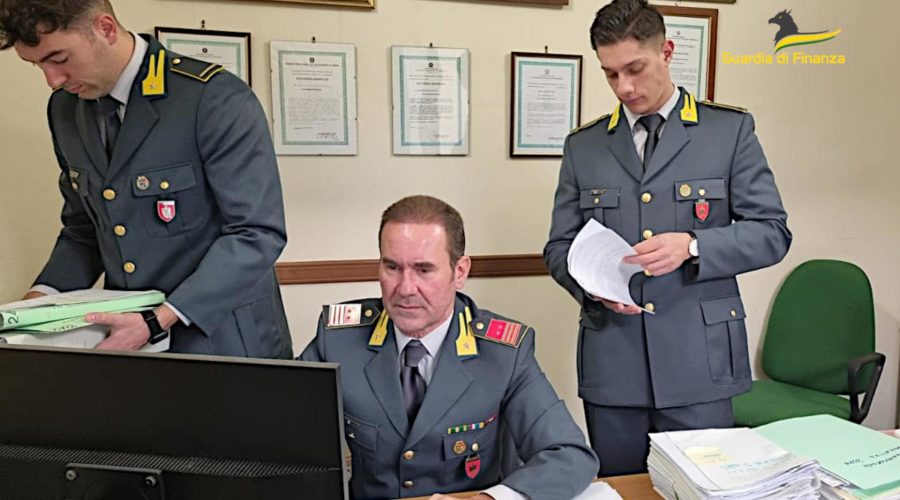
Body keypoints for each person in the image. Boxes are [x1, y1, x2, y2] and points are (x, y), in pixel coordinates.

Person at [543, 0, 791, 476]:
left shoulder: (728, 132)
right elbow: (559, 247)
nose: (624, 87)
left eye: (635, 69)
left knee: (703, 487)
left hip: (701, 365)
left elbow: (772, 232)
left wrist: (693, 246)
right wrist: (592, 285)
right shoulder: (584, 146)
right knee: (621, 489)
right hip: (614, 365)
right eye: (611, 74)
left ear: (667, 52)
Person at [0, 0, 291, 357]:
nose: (52, 80)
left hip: (225, 339)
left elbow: (256, 232)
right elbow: (83, 229)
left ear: (105, 29)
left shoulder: (211, 97)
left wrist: (156, 321)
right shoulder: (66, 109)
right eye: (37, 65)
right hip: (129, 339)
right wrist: (30, 310)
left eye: (59, 59)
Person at [300, 195, 598, 499]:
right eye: (392, 267)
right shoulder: (338, 341)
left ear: (460, 272)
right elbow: (288, 438)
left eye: (424, 270)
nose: (405, 288)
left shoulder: (503, 354)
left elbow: (570, 455)